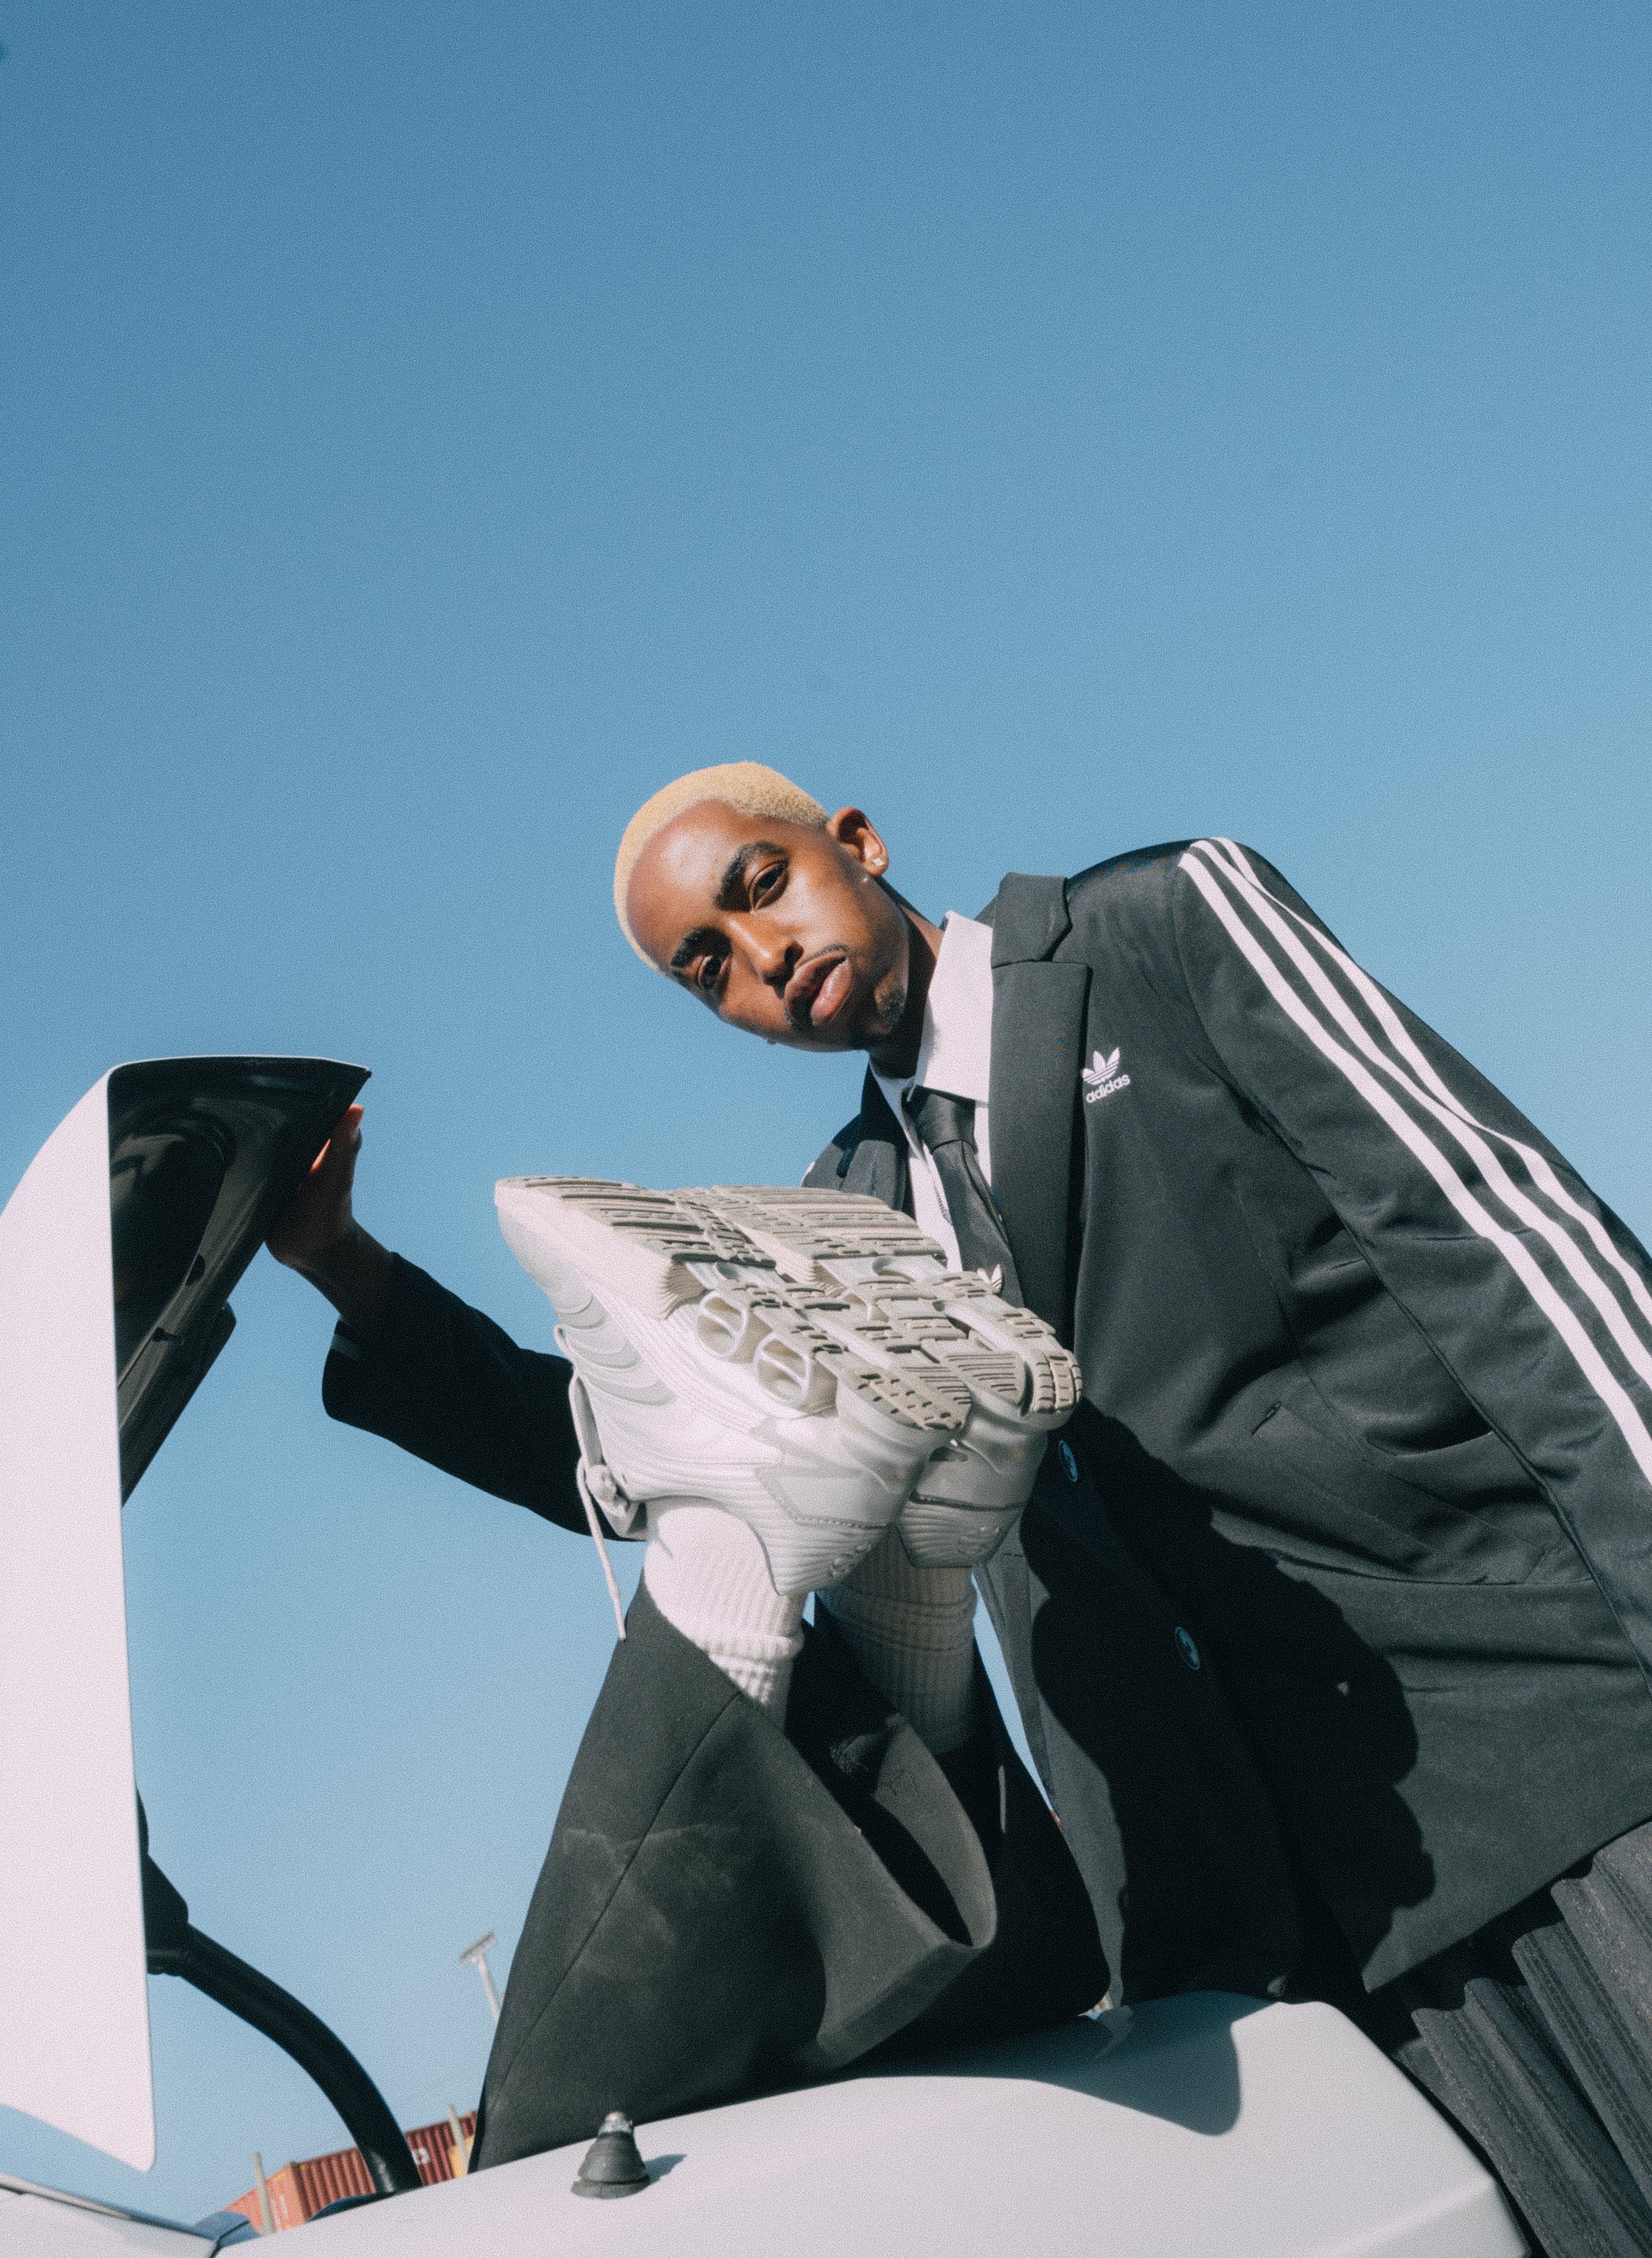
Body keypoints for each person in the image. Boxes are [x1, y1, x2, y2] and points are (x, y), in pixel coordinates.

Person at [273, 763, 1652, 2257]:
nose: (760, 957)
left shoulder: (1159, 928)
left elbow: (1510, 1250)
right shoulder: (838, 1218)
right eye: (707, 968)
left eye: (759, 888)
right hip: (1270, 1943)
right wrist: (346, 1267)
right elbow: (649, 1451)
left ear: (855, 843)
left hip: (1554, 1761)